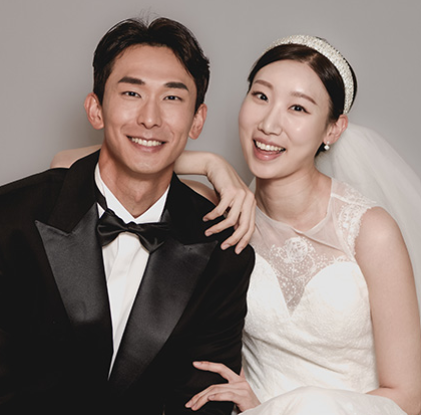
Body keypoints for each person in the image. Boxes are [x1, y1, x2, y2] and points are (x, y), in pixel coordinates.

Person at [50, 35, 421, 414]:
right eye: (261, 96)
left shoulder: (369, 231)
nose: (269, 124)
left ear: (333, 129)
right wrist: (210, 163)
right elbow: (65, 165)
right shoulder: (218, 211)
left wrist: (290, 408)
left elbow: (409, 397)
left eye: (297, 108)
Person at [0, 17, 255, 413]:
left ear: (197, 120)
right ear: (96, 109)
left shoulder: (223, 251)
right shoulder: (12, 218)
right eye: (132, 93)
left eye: (172, 98)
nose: (150, 118)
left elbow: (205, 399)